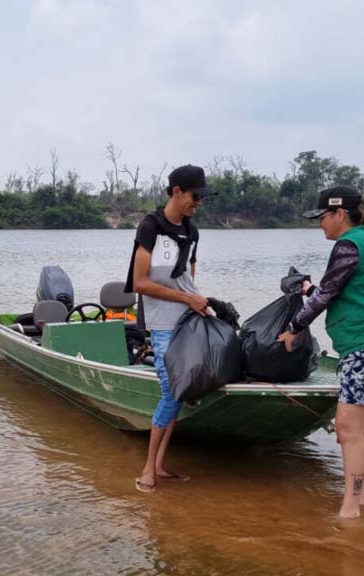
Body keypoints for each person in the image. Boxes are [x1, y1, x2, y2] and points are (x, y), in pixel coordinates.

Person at [277, 186, 364, 518]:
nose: (320, 224)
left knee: (347, 430)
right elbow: (343, 291)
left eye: (322, 217)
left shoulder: (347, 245)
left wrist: (294, 328)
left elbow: (326, 296)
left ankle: (349, 509)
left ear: (340, 215)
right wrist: (308, 288)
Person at [124, 164, 211, 493]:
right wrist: (186, 298)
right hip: (161, 322)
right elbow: (139, 283)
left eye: (202, 198)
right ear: (177, 192)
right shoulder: (150, 227)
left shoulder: (192, 231)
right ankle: (147, 468)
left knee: (179, 391)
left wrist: (196, 303)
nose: (198, 203)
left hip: (187, 319)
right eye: (195, 196)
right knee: (171, 392)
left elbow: (188, 275)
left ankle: (159, 465)